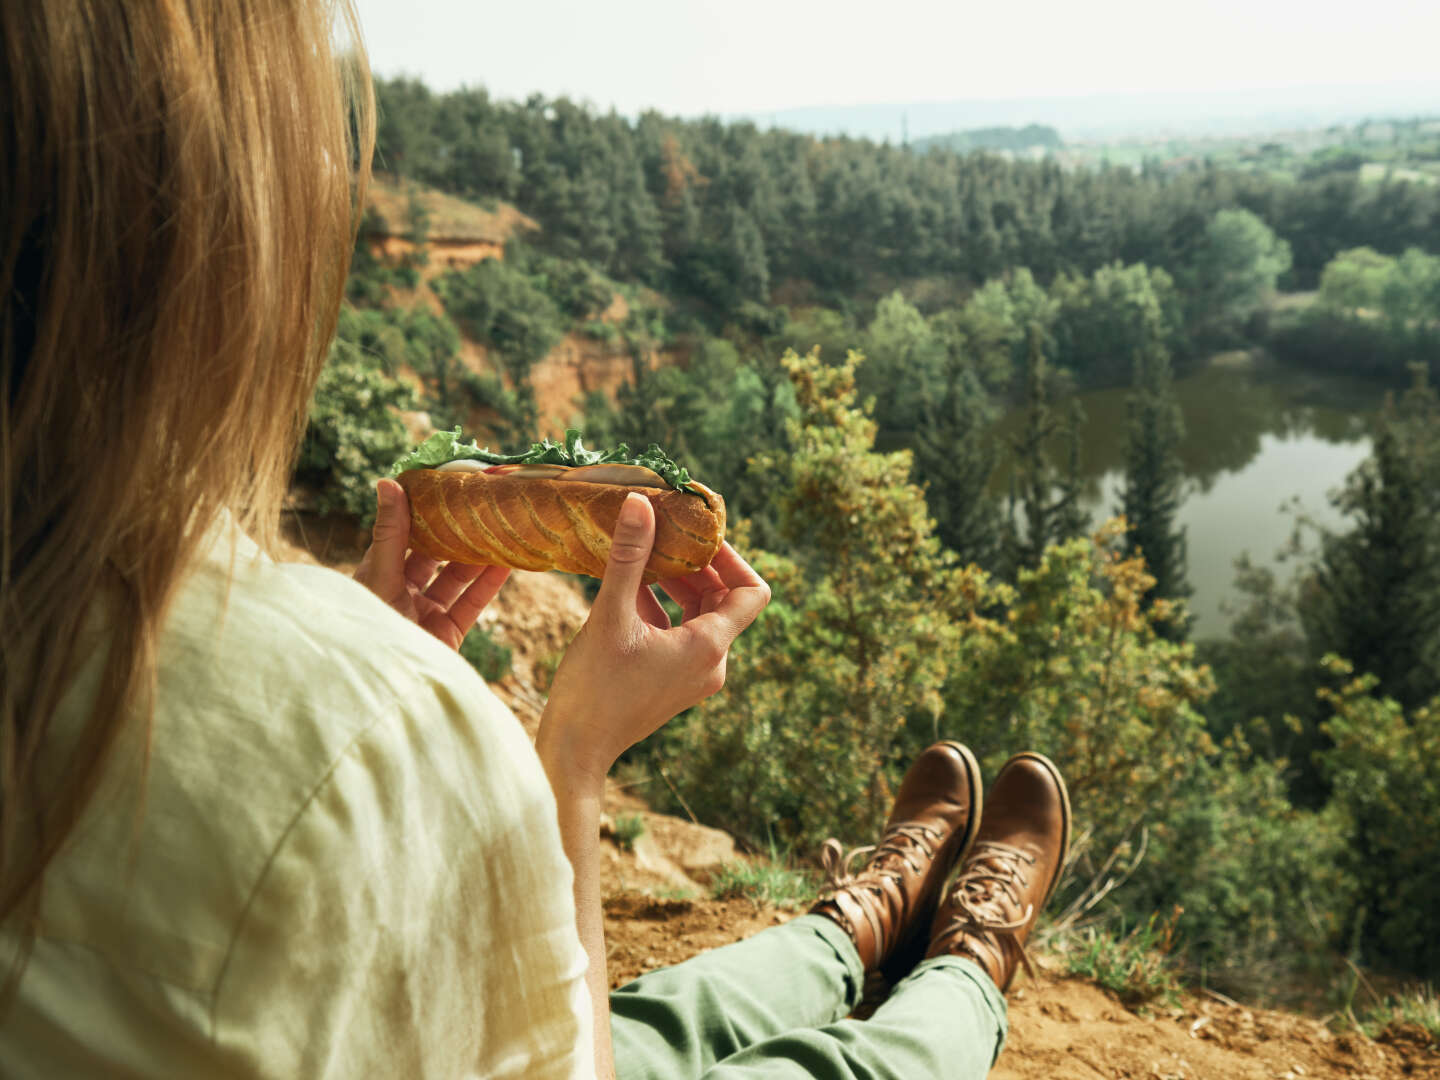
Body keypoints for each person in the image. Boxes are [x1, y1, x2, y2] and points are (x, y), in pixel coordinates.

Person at [0, 2, 1069, 1077]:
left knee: (661, 1027)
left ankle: (859, 924)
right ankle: (970, 965)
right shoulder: (367, 734)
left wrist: (342, 664)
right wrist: (572, 756)